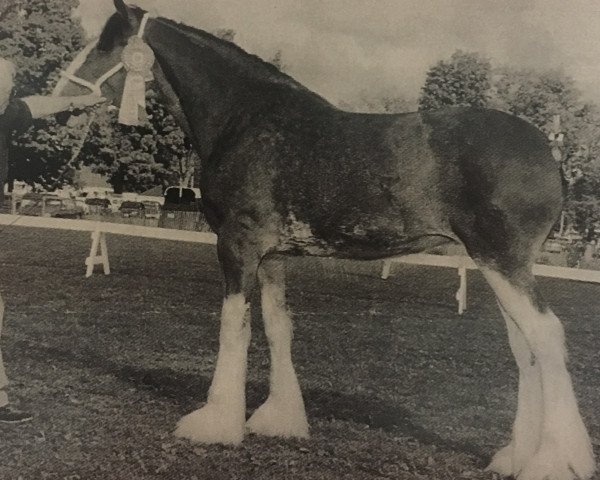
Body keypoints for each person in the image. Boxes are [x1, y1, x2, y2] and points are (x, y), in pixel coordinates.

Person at [0, 58, 105, 423]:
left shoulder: (7, 115)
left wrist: (81, 100)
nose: (9, 90)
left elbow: (39, 104)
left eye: (9, 85)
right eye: (6, 84)